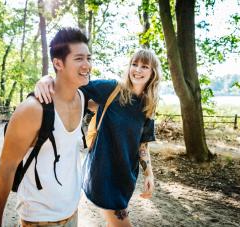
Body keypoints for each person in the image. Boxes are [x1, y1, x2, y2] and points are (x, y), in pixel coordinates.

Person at [35, 49, 161, 227]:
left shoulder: (148, 105)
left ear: (153, 72)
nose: (138, 70)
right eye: (134, 64)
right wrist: (46, 79)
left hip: (126, 177)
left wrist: (149, 174)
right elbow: (70, 85)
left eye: (144, 66)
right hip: (104, 173)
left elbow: (143, 145)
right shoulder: (112, 88)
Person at [0, 27, 91, 227]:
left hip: (71, 213)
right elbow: (6, 168)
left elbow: (124, 91)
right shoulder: (32, 110)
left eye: (89, 57)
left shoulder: (84, 97)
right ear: (58, 63)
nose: (87, 64)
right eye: (79, 59)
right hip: (39, 219)